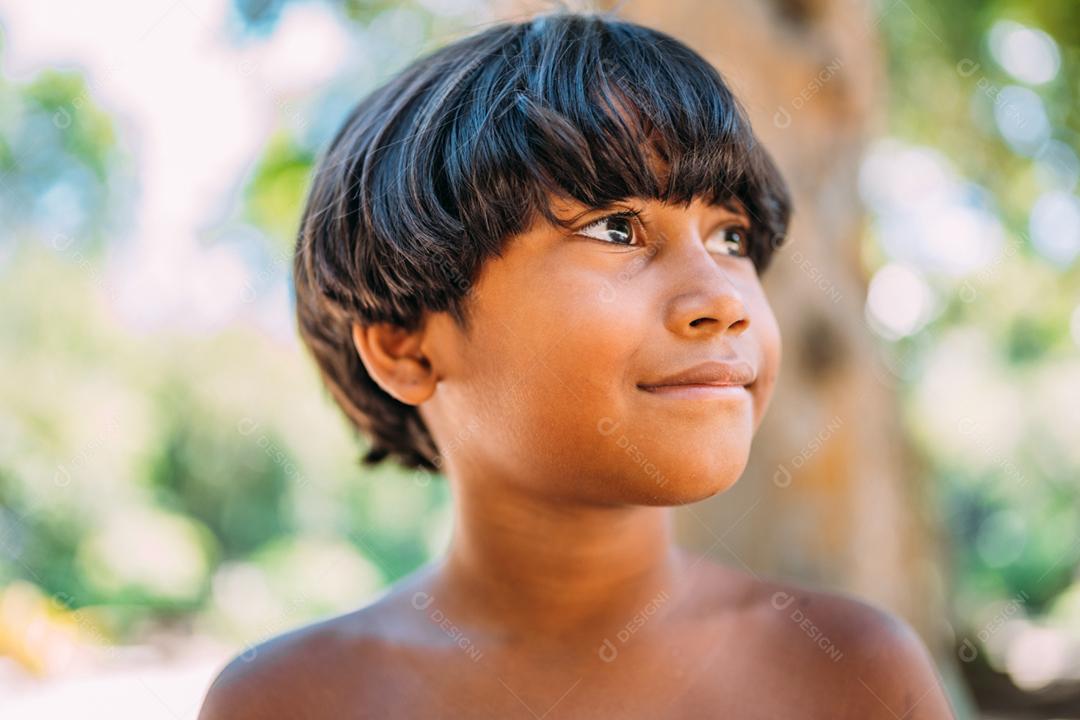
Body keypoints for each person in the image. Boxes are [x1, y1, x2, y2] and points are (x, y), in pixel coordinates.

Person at [198, 11, 955, 719]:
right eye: (617, 229)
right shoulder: (290, 700)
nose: (725, 300)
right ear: (406, 345)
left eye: (729, 237)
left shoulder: (852, 673)